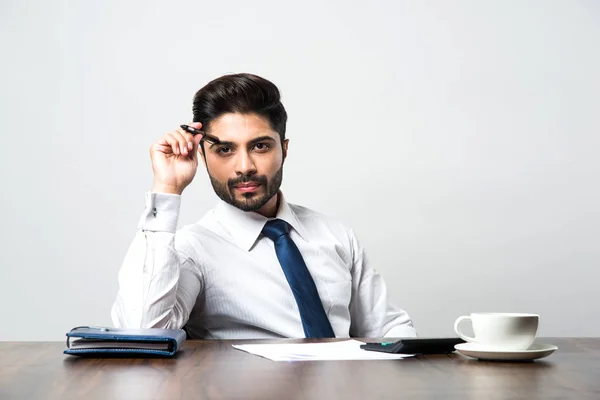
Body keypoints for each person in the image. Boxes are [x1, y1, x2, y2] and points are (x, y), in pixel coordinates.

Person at [111, 73, 416, 339]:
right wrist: (167, 188)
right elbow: (143, 331)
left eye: (260, 146)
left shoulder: (335, 235)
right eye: (224, 149)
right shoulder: (193, 249)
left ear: (283, 150)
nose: (244, 167)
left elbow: (389, 329)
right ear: (202, 156)